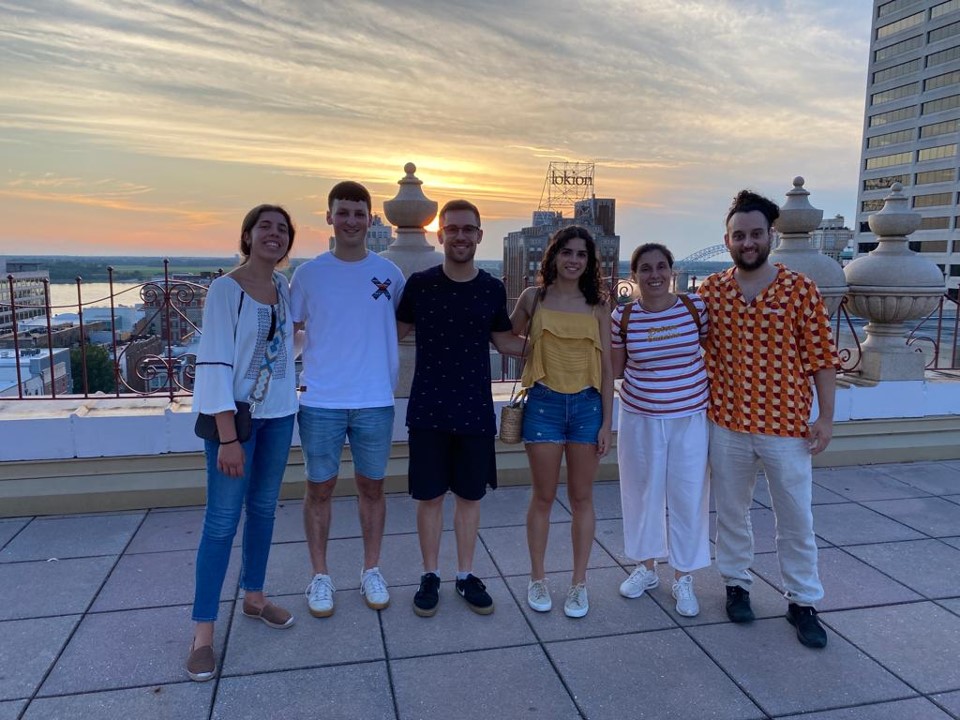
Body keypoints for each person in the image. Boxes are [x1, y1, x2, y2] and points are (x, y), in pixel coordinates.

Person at [699, 189, 839, 649]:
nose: (748, 242)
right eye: (739, 235)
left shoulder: (799, 289)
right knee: (731, 513)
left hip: (787, 428)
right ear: (727, 240)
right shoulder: (711, 291)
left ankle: (802, 601)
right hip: (727, 423)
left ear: (770, 236)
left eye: (755, 234)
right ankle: (736, 585)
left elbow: (822, 358)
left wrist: (826, 418)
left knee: (796, 517)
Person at [396, 199, 524, 617]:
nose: (461, 236)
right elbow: (391, 334)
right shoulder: (420, 285)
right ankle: (430, 575)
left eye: (468, 229)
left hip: (474, 409)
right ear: (441, 234)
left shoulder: (491, 288)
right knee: (430, 497)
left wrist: (561, 346)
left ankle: (465, 575)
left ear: (479, 235)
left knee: (470, 498)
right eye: (453, 229)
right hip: (428, 408)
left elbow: (505, 342)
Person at [187, 204, 298, 682]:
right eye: (265, 227)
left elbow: (282, 347)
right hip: (235, 422)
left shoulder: (283, 287)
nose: (274, 234)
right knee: (221, 522)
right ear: (247, 236)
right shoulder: (225, 290)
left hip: (279, 417)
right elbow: (213, 361)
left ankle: (254, 596)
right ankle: (203, 634)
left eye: (282, 229)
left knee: (265, 510)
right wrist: (228, 438)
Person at [290, 181, 405, 618]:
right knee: (319, 488)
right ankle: (320, 575)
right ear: (329, 217)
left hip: (374, 399)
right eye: (343, 212)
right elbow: (292, 330)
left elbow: (399, 325)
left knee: (372, 487)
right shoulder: (308, 274)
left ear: (370, 218)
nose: (351, 221)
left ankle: (371, 569)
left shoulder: (390, 274)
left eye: (359, 213)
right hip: (320, 400)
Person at [510, 225, 614, 618]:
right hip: (544, 405)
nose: (573, 260)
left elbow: (607, 367)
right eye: (567, 252)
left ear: (589, 261)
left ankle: (578, 583)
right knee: (543, 496)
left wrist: (607, 423)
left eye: (581, 254)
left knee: (582, 498)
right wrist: (538, 350)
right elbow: (505, 337)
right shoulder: (533, 298)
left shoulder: (599, 304)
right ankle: (537, 578)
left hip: (587, 408)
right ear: (553, 255)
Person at [611, 243, 710, 617]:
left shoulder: (694, 307)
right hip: (640, 418)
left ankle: (683, 576)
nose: (654, 275)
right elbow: (616, 369)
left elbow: (711, 350)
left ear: (672, 270)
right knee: (641, 492)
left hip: (690, 417)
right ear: (634, 275)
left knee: (688, 494)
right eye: (646, 269)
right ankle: (646, 567)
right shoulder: (622, 317)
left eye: (661, 267)